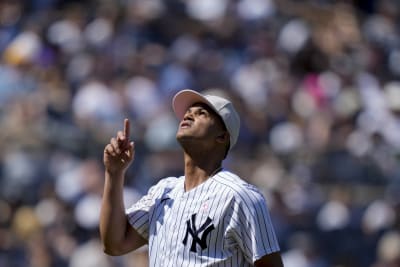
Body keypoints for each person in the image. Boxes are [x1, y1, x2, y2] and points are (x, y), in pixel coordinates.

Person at [100, 89, 283, 266]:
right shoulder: (163, 190)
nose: (188, 115)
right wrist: (114, 173)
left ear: (221, 136)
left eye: (201, 113)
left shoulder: (239, 196)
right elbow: (115, 244)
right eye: (187, 112)